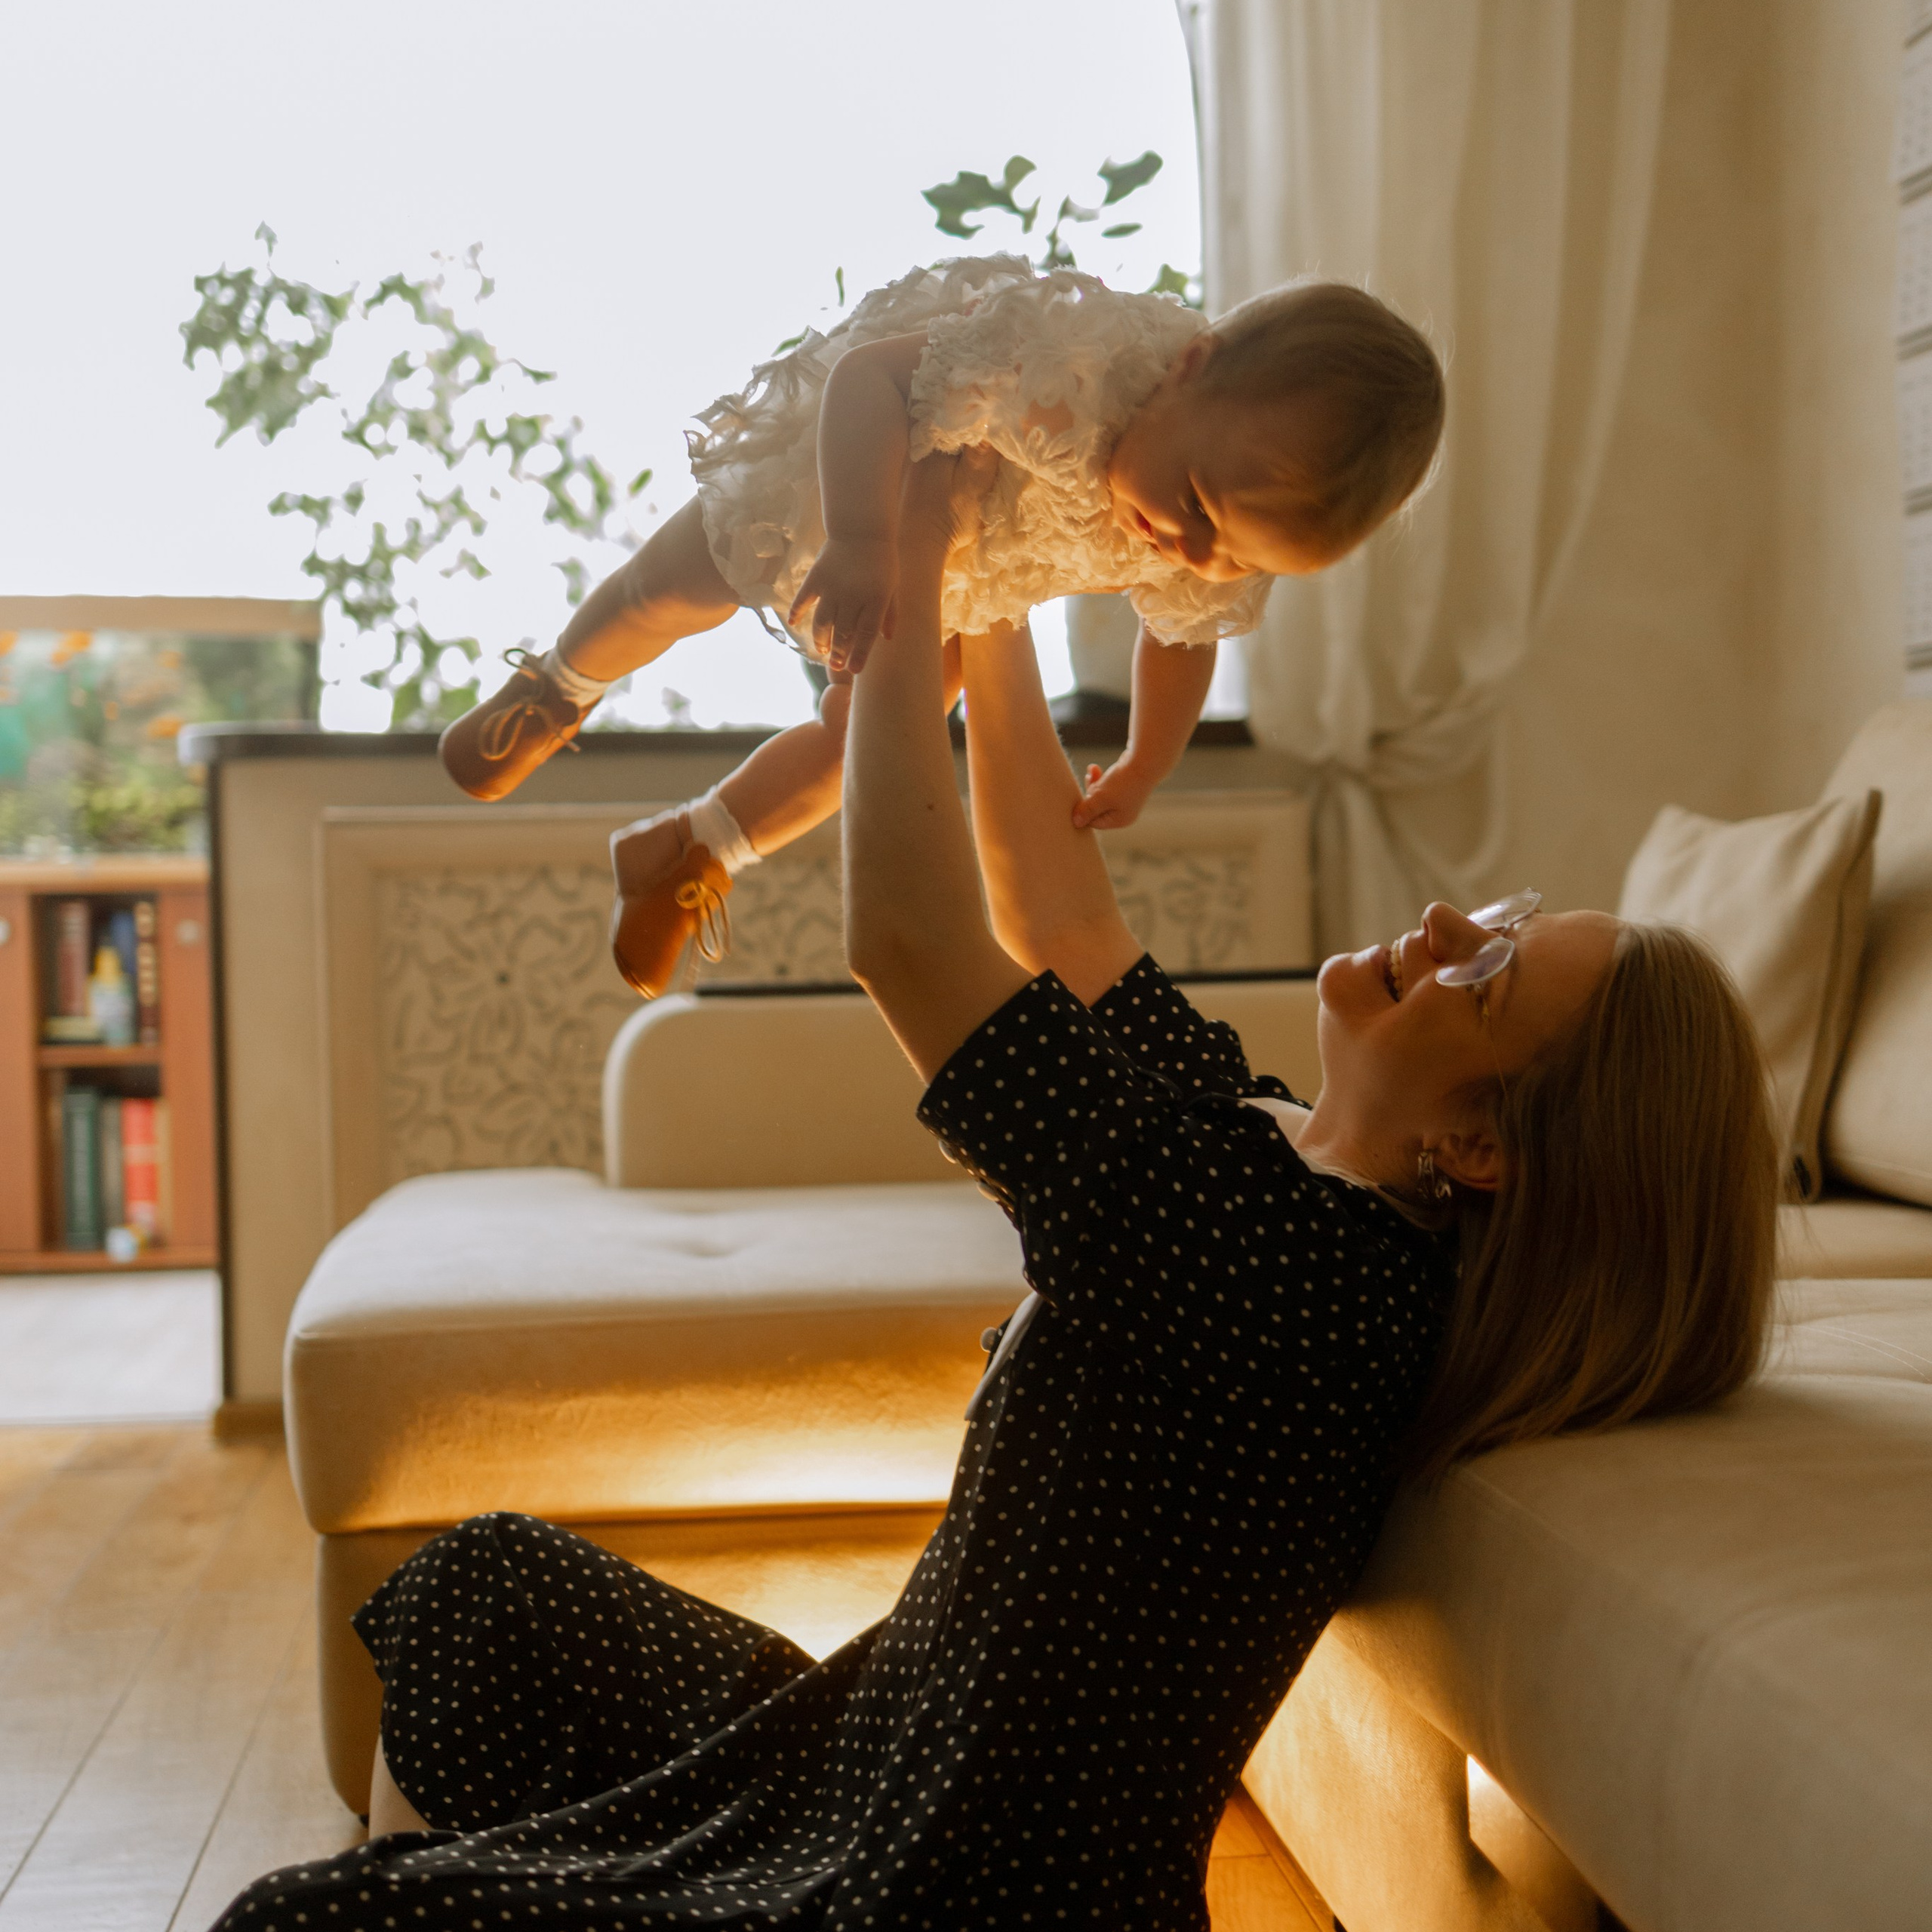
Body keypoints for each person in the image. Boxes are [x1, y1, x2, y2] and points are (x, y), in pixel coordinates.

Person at [214, 450, 1777, 1932]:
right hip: (865, 1755)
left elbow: (908, 936)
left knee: (300, 1919)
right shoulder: (1275, 1152)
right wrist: (993, 574)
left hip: (938, 1890)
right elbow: (1056, 908)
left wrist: (897, 582)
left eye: (1485, 974)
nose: (1442, 924)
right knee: (479, 1596)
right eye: (1499, 915)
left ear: (1484, 1147)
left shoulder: (1285, 1267)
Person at [436, 256, 1444, 998]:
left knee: (870, 741)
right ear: (1189, 367)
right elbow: (869, 379)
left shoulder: (1202, 536)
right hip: (863, 467)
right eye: (1192, 499)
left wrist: (1147, 759)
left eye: (1232, 553)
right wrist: (863, 537)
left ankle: (694, 851)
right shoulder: (1073, 366)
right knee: (673, 584)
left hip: (961, 573)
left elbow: (1184, 635)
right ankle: (555, 689)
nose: (1187, 544)